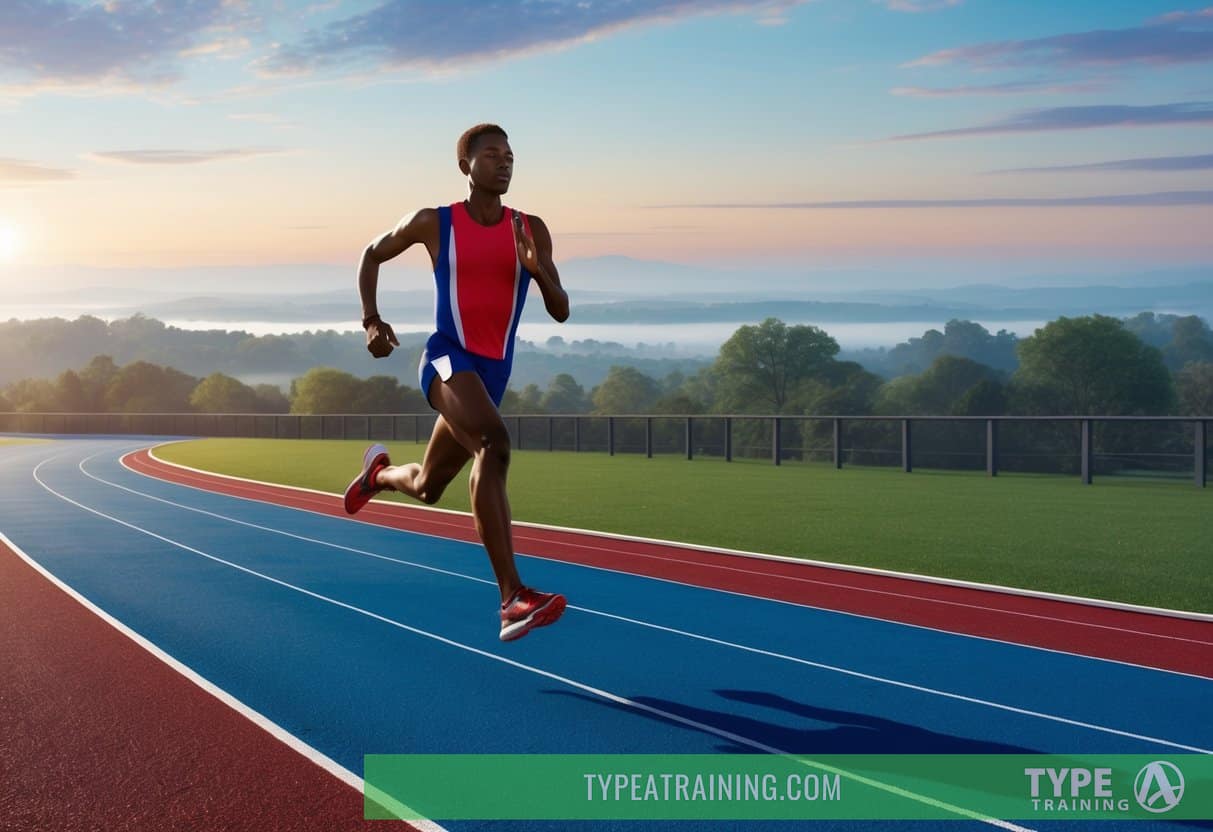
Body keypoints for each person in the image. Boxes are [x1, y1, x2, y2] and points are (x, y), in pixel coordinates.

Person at [343, 124, 570, 642]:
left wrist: (538, 273)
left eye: (510, 155)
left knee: (427, 486)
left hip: (491, 376)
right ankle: (512, 597)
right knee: (494, 443)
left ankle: (377, 475)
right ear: (465, 165)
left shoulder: (530, 229)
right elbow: (371, 254)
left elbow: (561, 311)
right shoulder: (434, 222)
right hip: (446, 358)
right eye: (491, 155)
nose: (504, 162)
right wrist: (372, 322)